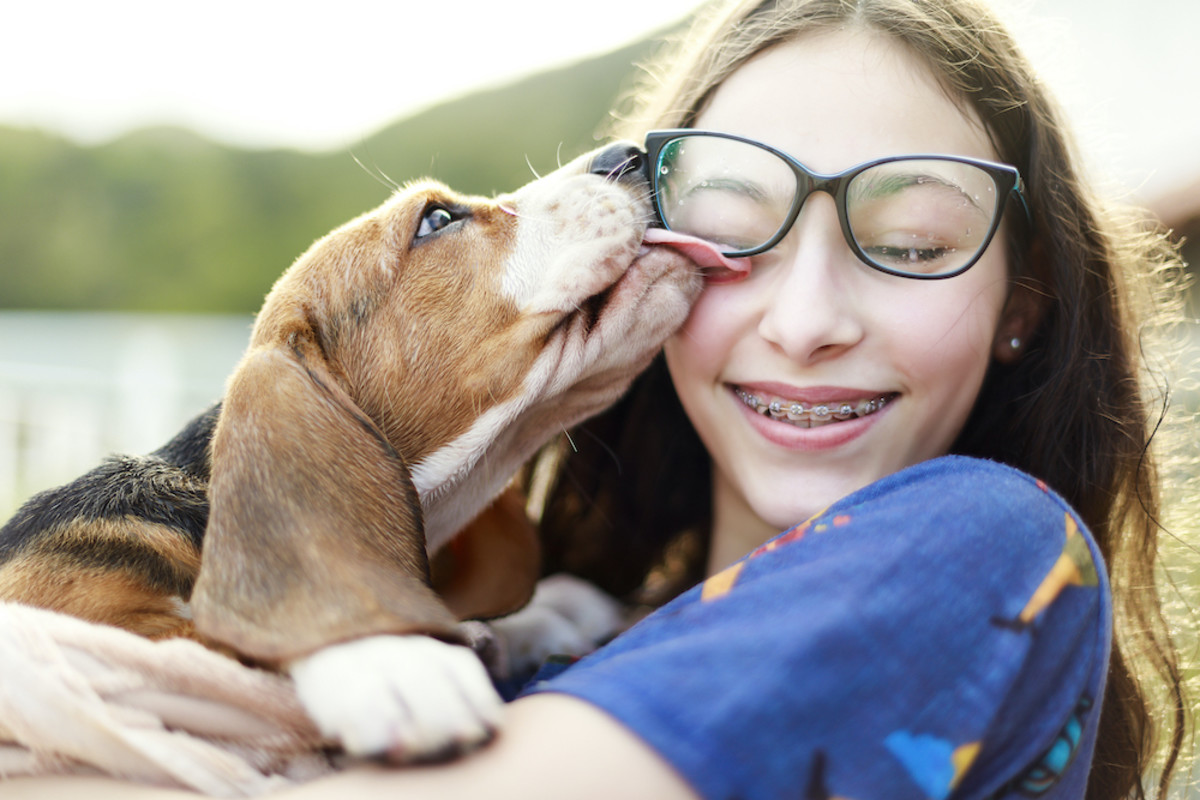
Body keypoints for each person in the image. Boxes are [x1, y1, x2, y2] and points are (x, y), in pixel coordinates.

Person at [7, 0, 1194, 798]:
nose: (808, 317)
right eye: (737, 225)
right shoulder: (547, 624)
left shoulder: (988, 542)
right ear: (661, 262)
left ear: (1023, 301)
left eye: (915, 240)